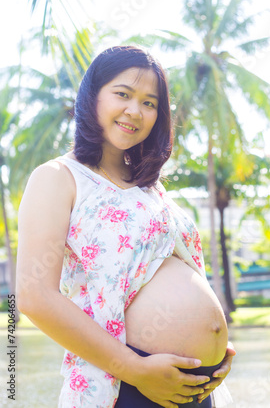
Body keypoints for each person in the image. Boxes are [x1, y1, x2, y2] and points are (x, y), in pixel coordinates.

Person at [16, 46, 235, 408]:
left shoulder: (150, 187)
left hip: (194, 386)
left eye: (150, 103)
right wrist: (134, 369)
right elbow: (34, 296)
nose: (135, 110)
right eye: (122, 94)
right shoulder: (59, 177)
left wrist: (215, 346)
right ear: (92, 97)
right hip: (128, 385)